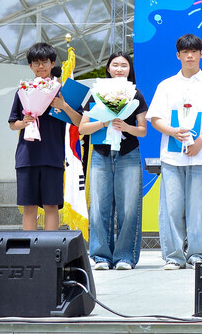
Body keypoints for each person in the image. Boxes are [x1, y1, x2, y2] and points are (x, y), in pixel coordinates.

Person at [146, 34, 202, 269]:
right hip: (172, 157)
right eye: (185, 52)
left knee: (199, 209)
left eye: (194, 51)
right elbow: (155, 119)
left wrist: (201, 141)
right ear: (178, 55)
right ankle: (173, 257)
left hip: (201, 156)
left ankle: (199, 255)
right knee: (171, 209)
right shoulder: (166, 85)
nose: (189, 55)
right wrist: (173, 132)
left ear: (201, 54)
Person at [79, 52, 149, 270]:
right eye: (115, 65)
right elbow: (83, 128)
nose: (119, 69)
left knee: (129, 207)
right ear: (108, 69)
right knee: (99, 206)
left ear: (130, 70)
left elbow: (142, 131)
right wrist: (104, 122)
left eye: (124, 65)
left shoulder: (136, 93)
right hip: (100, 155)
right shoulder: (95, 93)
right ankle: (100, 256)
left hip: (128, 154)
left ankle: (125, 257)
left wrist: (125, 127)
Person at [8, 42, 82, 231]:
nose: (40, 66)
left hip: (53, 157)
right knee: (29, 207)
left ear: (52, 63)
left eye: (44, 62)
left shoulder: (62, 90)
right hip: (27, 157)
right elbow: (12, 124)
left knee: (51, 206)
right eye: (36, 63)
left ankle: (51, 252)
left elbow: (79, 122)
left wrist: (63, 105)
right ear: (30, 66)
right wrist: (24, 122)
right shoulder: (23, 90)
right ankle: (30, 252)